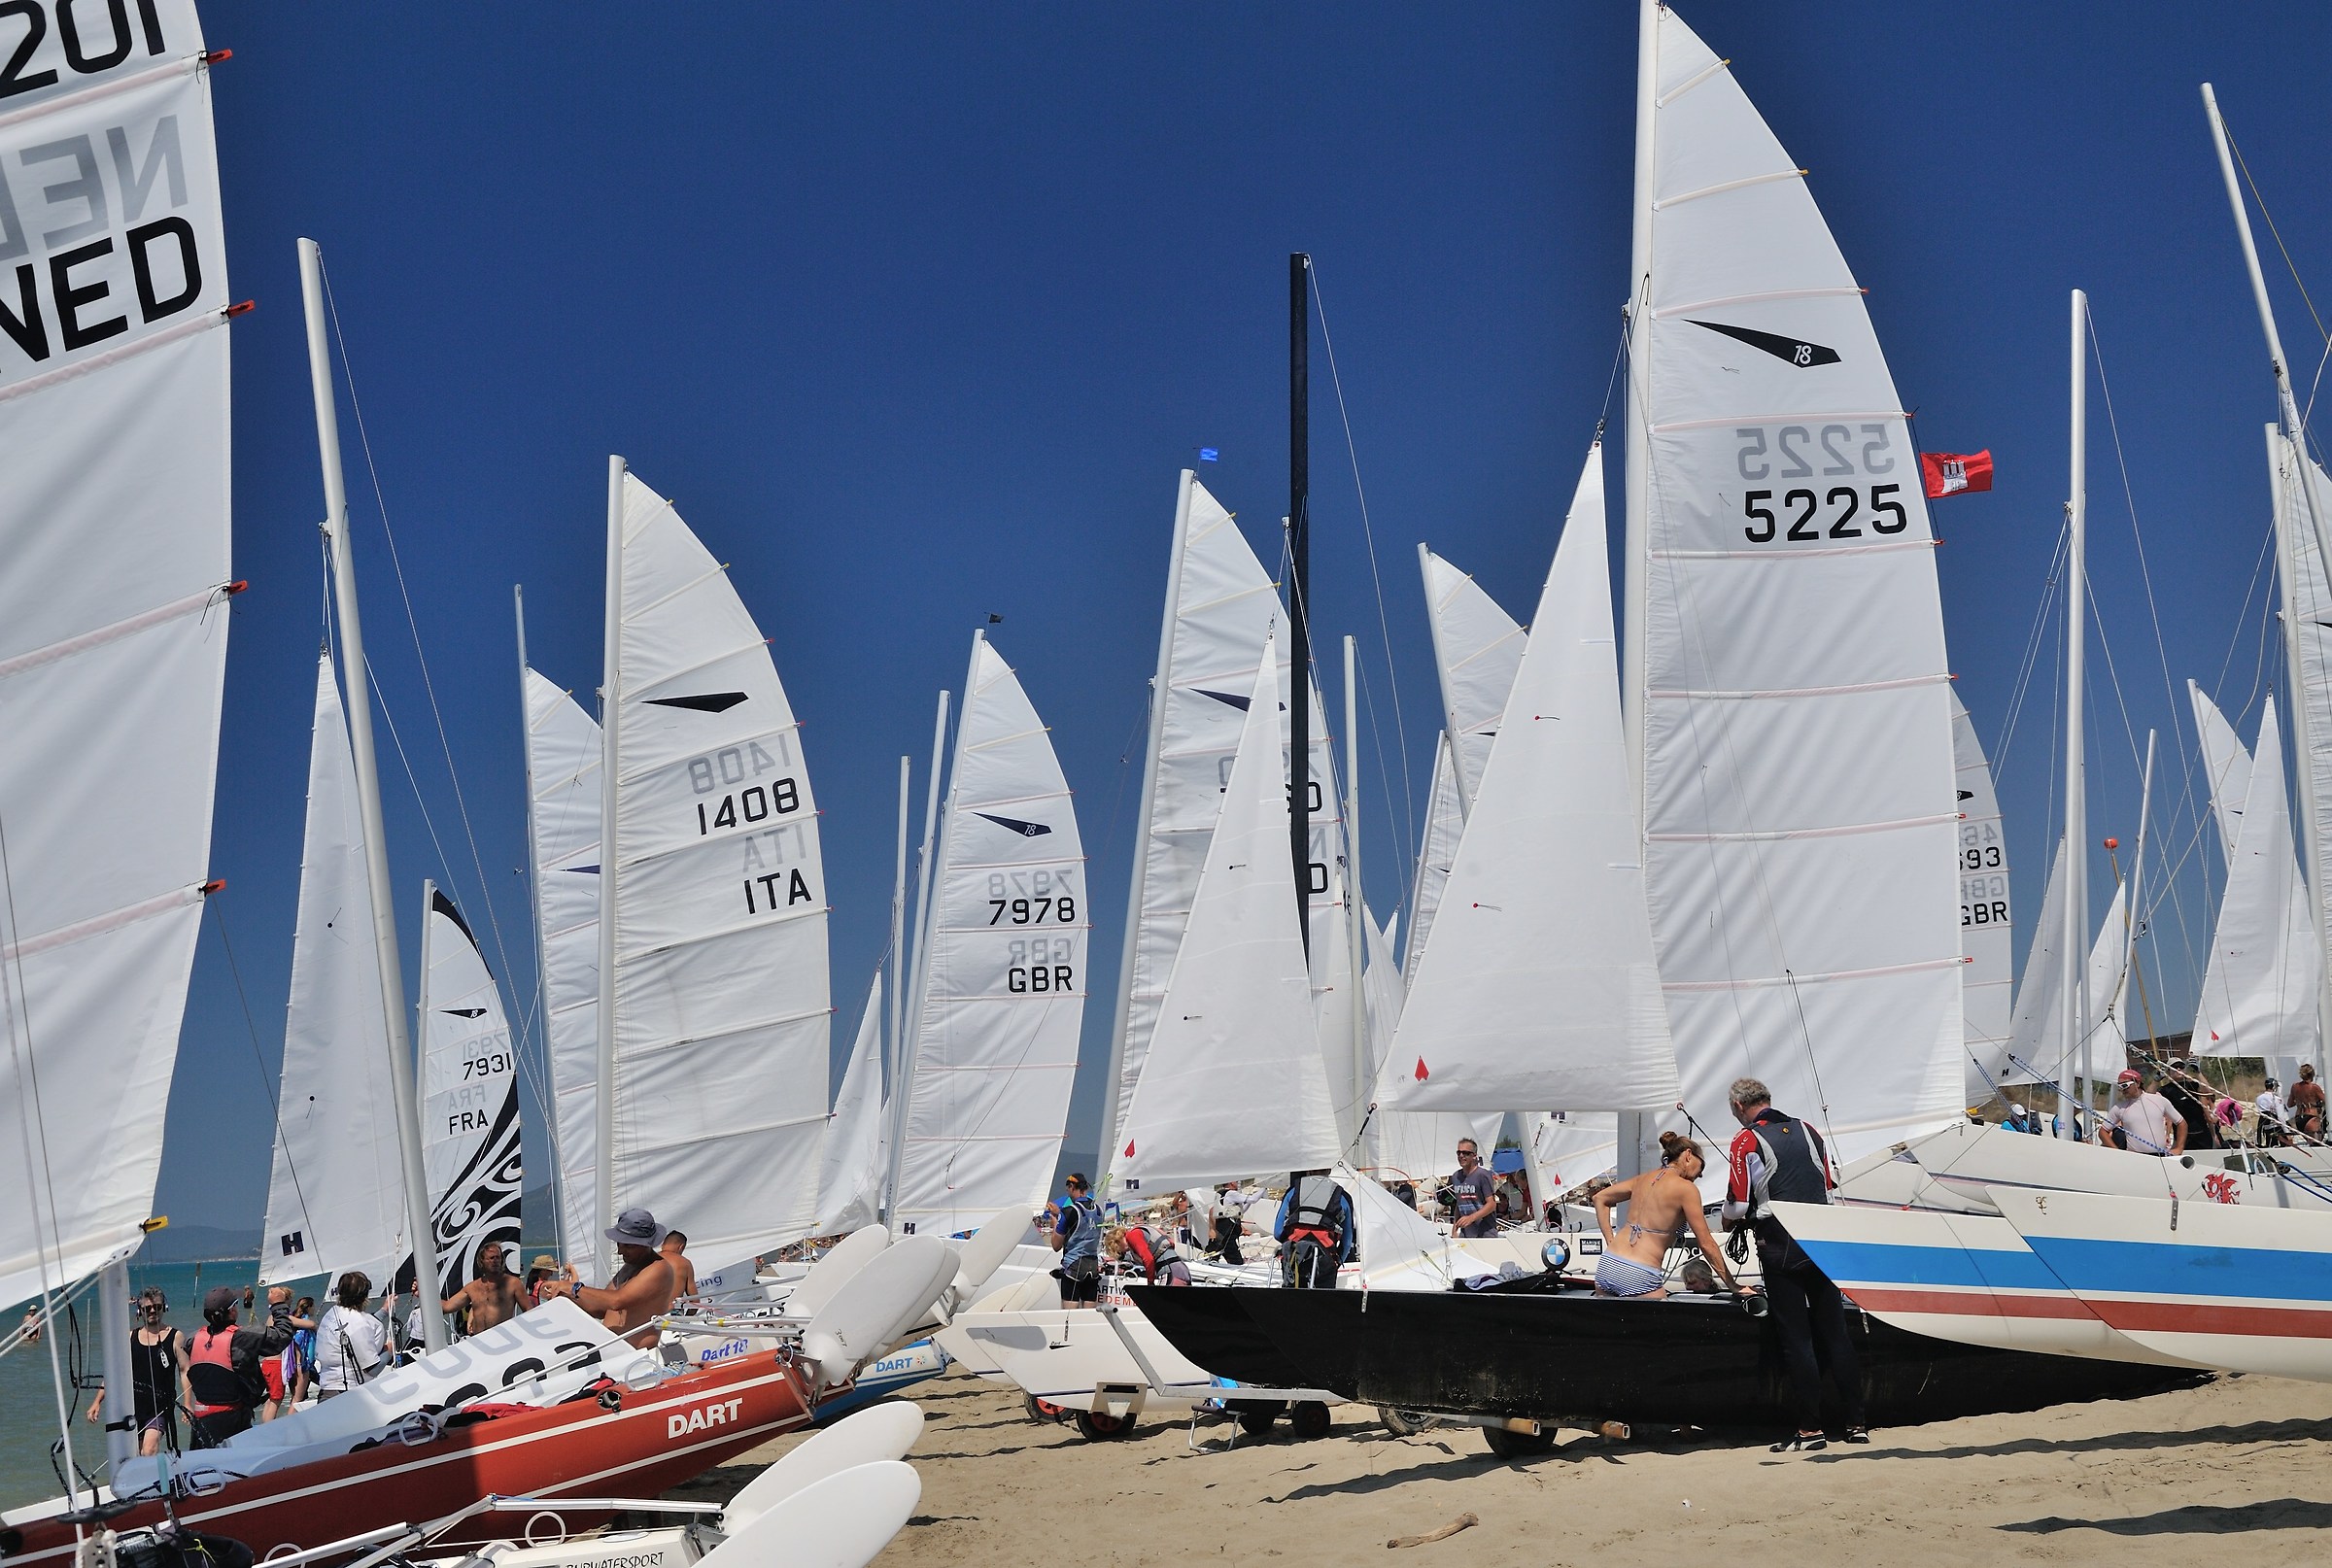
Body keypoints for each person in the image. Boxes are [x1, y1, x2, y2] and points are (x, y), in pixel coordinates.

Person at [1723, 1077, 1866, 1453]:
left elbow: (1737, 1206)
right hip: (1821, 1237)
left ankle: (1810, 1429)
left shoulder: (1745, 1140)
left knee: (1797, 1339)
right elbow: (1827, 1183)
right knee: (1835, 1332)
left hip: (1780, 1241)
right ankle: (1856, 1423)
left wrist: (1729, 1219)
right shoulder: (1808, 1129)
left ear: (1739, 1106)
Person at [1591, 1132, 1741, 1299]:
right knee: (1659, 1324)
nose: (1700, 1175)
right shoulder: (1686, 1189)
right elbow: (1706, 1243)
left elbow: (1600, 1198)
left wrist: (1610, 1240)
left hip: (1609, 1263)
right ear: (1688, 1155)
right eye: (1701, 1167)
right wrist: (1734, 1286)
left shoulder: (1642, 1179)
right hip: (1640, 1271)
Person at [535, 1209, 681, 1347]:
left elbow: (616, 1301)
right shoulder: (632, 1266)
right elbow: (600, 1308)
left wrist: (574, 1287)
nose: (620, 1251)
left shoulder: (658, 1268)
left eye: (627, 1246)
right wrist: (564, 1294)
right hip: (611, 1351)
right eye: (619, 1243)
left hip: (636, 1358)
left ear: (646, 1244)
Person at [185, 1284, 293, 1446]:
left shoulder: (192, 1340)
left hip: (202, 1421)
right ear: (232, 1310)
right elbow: (282, 1336)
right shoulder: (243, 1337)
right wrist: (278, 1305)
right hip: (233, 1421)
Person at [86, 1287, 187, 1456]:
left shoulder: (175, 1336)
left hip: (160, 1406)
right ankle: (153, 1478)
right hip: (132, 1406)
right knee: (136, 1453)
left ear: (164, 1308)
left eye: (157, 1307)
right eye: (147, 1308)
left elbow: (185, 1370)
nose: (153, 1311)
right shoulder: (129, 1337)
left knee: (148, 1450)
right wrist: (97, 1402)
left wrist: (187, 1404)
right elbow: (114, 1373)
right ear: (140, 1311)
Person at [313, 1272, 390, 1400]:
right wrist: (389, 1350)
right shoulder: (360, 1322)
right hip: (348, 1393)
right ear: (365, 1295)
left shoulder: (332, 1313)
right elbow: (372, 1369)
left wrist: (384, 1311)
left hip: (326, 1390)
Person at [1274, 1169, 1354, 1288]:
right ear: (1329, 1170)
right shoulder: (1342, 1196)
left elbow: (1277, 1232)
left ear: (1309, 1170)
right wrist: (1337, 1261)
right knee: (1322, 1302)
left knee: (1291, 1300)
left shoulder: (1293, 1190)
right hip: (1325, 1259)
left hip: (1294, 1256)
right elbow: (1347, 1242)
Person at [442, 1241, 527, 1336]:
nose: (495, 1261)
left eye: (498, 1257)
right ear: (482, 1261)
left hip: (502, 1338)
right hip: (478, 1340)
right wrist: (423, 1294)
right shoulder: (472, 1287)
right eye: (491, 1258)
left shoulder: (513, 1283)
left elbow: (529, 1311)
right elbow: (447, 1306)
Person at [2100, 1068, 2187, 1156]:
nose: (2122, 1090)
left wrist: (2179, 1148)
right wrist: (2118, 1151)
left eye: (2125, 1085)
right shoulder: (2119, 1107)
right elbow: (2103, 1132)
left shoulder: (2159, 1101)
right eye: (2120, 1087)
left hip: (2160, 1155)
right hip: (2135, 1157)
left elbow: (2181, 1123)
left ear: (2137, 1083)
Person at [1046, 1174, 1103, 1307]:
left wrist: (1055, 1222)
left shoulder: (1068, 1211)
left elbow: (1056, 1246)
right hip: (1093, 1264)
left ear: (1071, 1187)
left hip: (1074, 1264)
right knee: (1088, 1315)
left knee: (1069, 1315)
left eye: (1067, 1189)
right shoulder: (1099, 1210)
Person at [1445, 1140, 1499, 1239]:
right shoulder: (1456, 1176)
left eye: (1465, 1153)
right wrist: (1454, 1229)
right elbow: (1459, 1204)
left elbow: (1491, 1204)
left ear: (1474, 1156)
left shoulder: (1482, 1175)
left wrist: (1471, 1218)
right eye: (1459, 1153)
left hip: (1485, 1234)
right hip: (1465, 1234)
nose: (1461, 1156)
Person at [2159, 1062, 2217, 1152]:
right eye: (2174, 1067)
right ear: (2169, 1071)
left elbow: (2208, 1091)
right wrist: (2156, 1080)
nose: (2178, 1069)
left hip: (2201, 1132)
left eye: (2181, 1067)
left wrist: (2198, 1073)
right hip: (2182, 1135)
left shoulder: (2193, 1085)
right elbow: (2149, 1097)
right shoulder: (2166, 1090)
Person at [1121, 1222, 1191, 1285]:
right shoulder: (1145, 1230)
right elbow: (1171, 1243)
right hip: (1181, 1269)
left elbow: (1148, 1259)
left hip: (1169, 1271)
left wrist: (1150, 1282)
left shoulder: (1132, 1235)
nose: (1125, 1252)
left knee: (1159, 1298)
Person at [1204, 1183, 1250, 1266]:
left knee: (1233, 1259)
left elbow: (1230, 1222)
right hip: (1217, 1239)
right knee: (1212, 1260)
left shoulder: (1221, 1211)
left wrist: (1242, 1229)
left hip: (1222, 1238)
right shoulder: (1215, 1211)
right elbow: (1220, 1225)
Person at [2290, 1065, 2326, 1141]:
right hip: (2311, 1117)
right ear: (2312, 1074)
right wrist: (2318, 1105)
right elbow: (2328, 1102)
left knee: (2310, 1144)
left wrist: (2299, 1101)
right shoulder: (2314, 1087)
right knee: (2317, 1144)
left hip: (2298, 1118)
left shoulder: (2295, 1086)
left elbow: (2289, 1104)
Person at [661, 1231, 699, 1299]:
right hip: (673, 1307)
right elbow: (695, 1299)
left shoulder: (649, 1259)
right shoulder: (684, 1263)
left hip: (648, 1308)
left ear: (662, 1245)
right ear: (681, 1247)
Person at [2256, 1078, 2291, 1146]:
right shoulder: (2277, 1099)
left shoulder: (2259, 1098)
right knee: (2286, 1146)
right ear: (2274, 1087)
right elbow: (2280, 1117)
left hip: (2265, 1126)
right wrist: (2287, 1132)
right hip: (2276, 1126)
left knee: (2270, 1145)